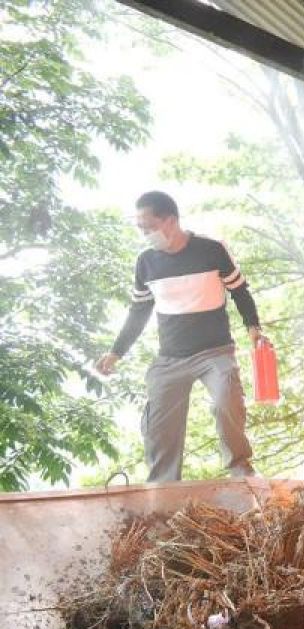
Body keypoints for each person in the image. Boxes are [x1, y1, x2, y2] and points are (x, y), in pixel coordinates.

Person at [95, 191, 260, 482]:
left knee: (226, 400)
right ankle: (163, 485)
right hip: (170, 358)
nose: (144, 233)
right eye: (140, 227)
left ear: (170, 221)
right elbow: (139, 311)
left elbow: (239, 291)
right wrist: (116, 352)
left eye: (148, 226)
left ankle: (241, 472)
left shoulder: (212, 250)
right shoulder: (146, 263)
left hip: (215, 352)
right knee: (159, 424)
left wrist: (253, 327)